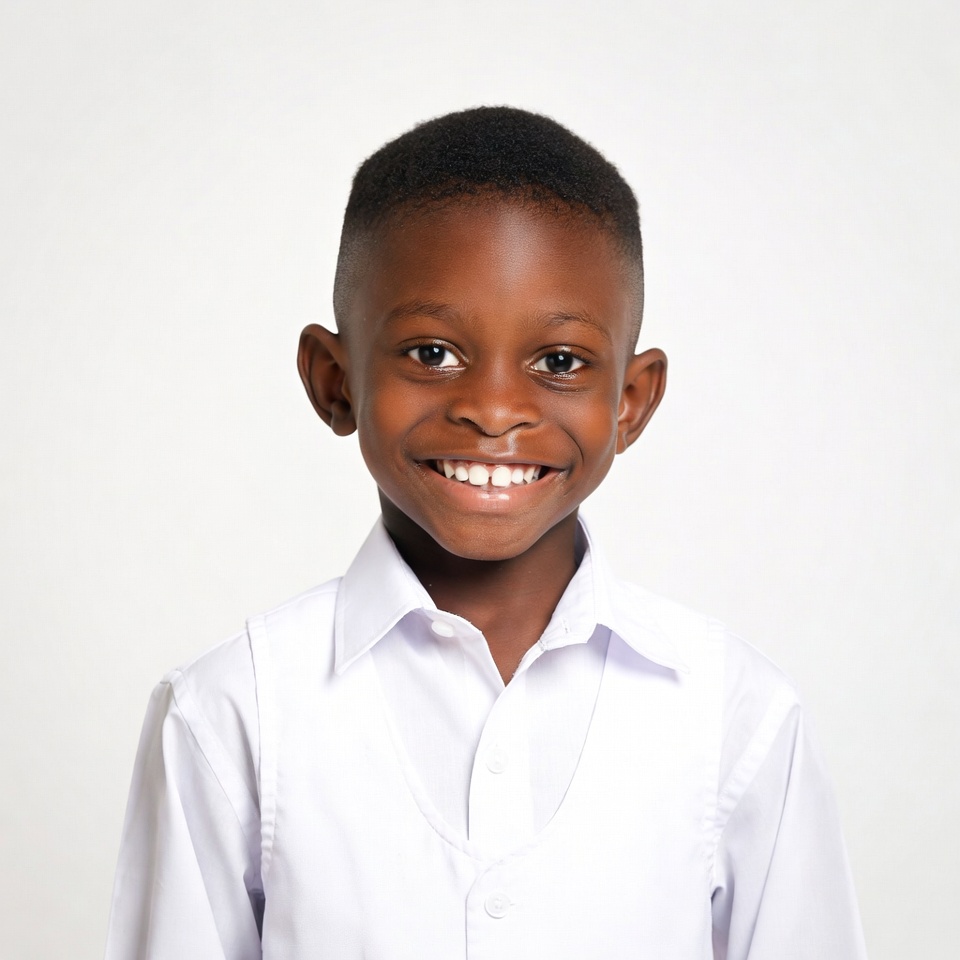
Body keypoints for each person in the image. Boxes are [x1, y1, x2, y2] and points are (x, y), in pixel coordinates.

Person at [104, 106, 868, 959]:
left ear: (631, 401)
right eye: (432, 353)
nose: (495, 410)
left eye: (560, 363)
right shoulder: (230, 713)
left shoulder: (737, 717)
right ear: (334, 380)